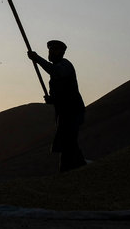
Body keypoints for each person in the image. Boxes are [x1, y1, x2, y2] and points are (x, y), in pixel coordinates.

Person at [28, 40, 86, 172]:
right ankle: (75, 168)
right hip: (64, 113)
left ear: (61, 52)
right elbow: (60, 95)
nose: (51, 53)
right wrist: (51, 99)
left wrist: (37, 59)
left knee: (68, 142)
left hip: (73, 111)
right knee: (68, 142)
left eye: (54, 50)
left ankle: (68, 170)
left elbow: (55, 71)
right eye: (50, 50)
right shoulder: (53, 79)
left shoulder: (65, 65)